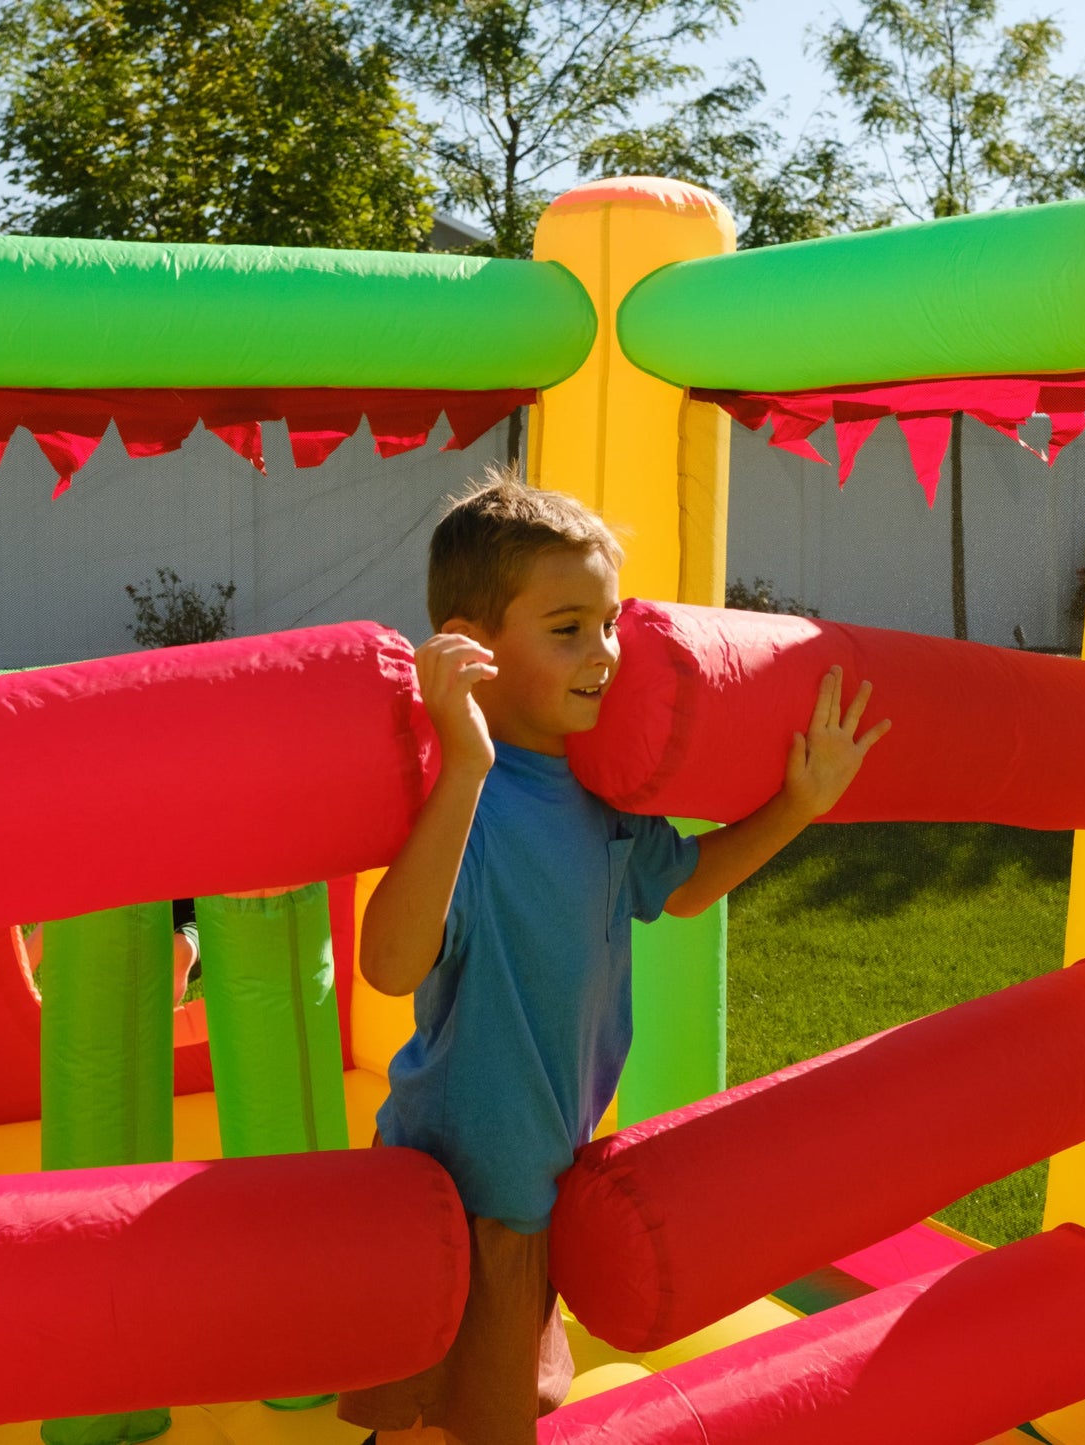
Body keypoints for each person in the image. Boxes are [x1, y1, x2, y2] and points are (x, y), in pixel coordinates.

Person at [337, 472, 889, 1445]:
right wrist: (462, 762)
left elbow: (677, 885)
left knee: (477, 1411)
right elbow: (388, 962)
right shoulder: (471, 798)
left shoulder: (605, 790)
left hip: (543, 1174)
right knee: (449, 1421)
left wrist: (795, 806)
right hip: (459, 1188)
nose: (602, 653)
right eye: (567, 628)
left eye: (607, 624)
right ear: (472, 645)